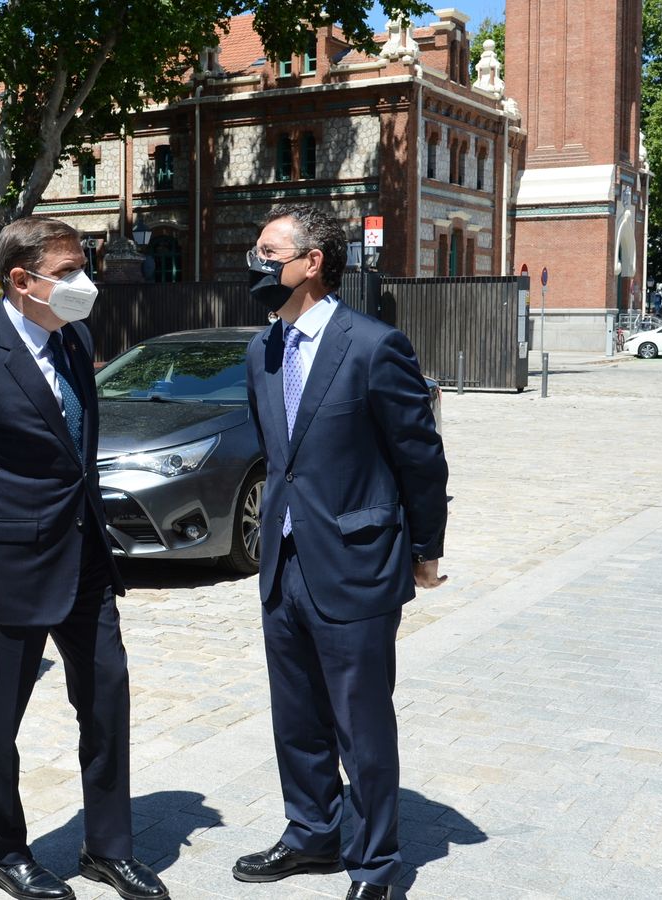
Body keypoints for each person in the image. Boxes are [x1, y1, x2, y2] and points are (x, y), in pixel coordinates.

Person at [0, 216, 168, 900]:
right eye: (70, 270)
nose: (85, 283)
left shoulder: (74, 339)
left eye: (86, 267)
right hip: (2, 575)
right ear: (21, 281)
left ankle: (108, 847)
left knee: (107, 700)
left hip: (84, 561)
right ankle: (4, 849)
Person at [232, 206, 449, 900]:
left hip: (356, 563)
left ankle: (376, 865)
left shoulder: (373, 346)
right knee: (294, 717)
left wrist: (425, 549)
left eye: (269, 252)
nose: (257, 263)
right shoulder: (261, 351)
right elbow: (279, 458)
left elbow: (419, 457)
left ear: (313, 260)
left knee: (361, 724)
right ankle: (312, 835)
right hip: (283, 564)